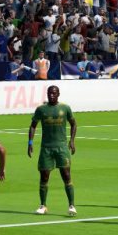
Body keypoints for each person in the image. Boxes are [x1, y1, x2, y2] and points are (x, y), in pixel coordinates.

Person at [27, 84, 77, 216]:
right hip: (46, 148)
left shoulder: (65, 108)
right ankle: (43, 205)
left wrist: (72, 141)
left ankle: (71, 205)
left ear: (58, 94)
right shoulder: (41, 109)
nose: (51, 95)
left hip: (62, 147)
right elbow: (33, 126)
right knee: (44, 176)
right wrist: (30, 142)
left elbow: (73, 124)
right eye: (49, 93)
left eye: (54, 93)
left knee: (66, 175)